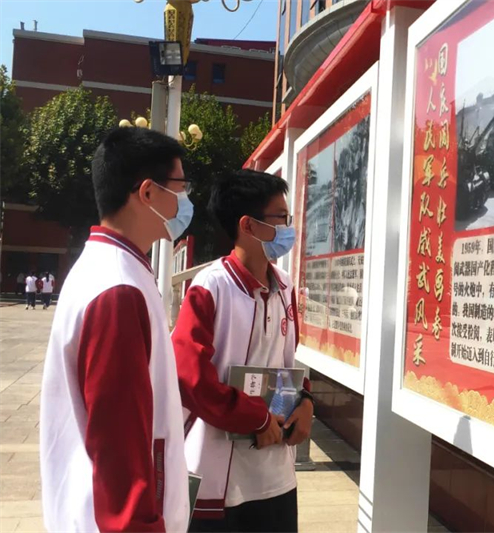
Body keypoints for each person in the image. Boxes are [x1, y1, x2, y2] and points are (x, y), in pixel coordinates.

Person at [40, 127, 195, 532]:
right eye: (181, 187)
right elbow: (119, 446)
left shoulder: (112, 269)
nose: (186, 200)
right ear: (148, 192)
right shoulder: (118, 289)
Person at [173, 170, 313, 533]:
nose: (288, 229)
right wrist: (256, 418)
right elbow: (190, 378)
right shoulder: (211, 287)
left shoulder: (284, 286)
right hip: (217, 476)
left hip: (275, 474)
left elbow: (287, 362)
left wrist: (305, 402)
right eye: (280, 218)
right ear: (248, 225)